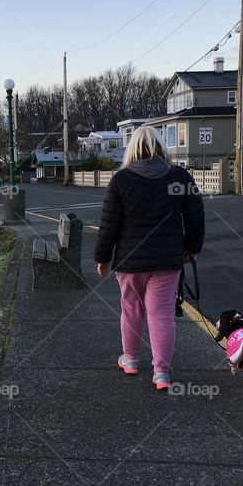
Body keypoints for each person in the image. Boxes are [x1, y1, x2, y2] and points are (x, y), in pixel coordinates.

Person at [93, 126, 205, 390]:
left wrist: (102, 258)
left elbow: (109, 224)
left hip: (129, 261)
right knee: (161, 314)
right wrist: (192, 247)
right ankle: (161, 373)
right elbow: (195, 216)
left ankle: (130, 360)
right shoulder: (179, 177)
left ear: (132, 149)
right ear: (160, 147)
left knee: (131, 309)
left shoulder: (121, 180)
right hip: (167, 261)